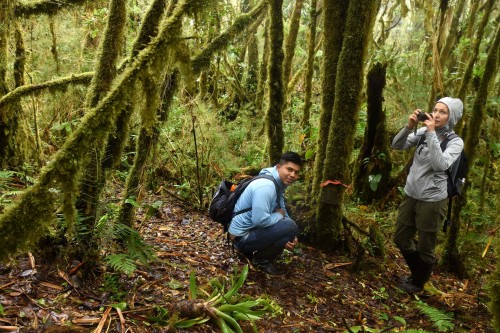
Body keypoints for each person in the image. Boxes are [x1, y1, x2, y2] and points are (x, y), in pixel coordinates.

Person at [392, 97, 464, 293]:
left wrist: (431, 133)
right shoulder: (423, 132)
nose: (437, 114)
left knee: (426, 246)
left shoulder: (455, 142)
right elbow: (397, 145)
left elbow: (440, 165)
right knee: (400, 238)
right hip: (411, 194)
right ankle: (419, 274)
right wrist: (409, 127)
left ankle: (417, 284)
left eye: (443, 112)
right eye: (435, 109)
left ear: (452, 117)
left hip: (432, 200)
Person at [228, 151, 301, 275]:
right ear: (278, 167)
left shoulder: (277, 184)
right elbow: (260, 220)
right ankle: (261, 261)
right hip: (241, 238)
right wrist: (280, 216)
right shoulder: (266, 186)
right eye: (289, 169)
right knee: (291, 225)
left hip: (247, 232)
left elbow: (281, 207)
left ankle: (260, 255)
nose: (292, 175)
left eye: (296, 172)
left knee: (289, 228)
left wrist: (291, 237)